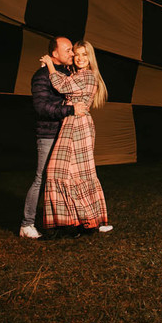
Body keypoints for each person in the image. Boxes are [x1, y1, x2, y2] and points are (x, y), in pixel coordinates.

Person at [39, 39, 112, 234]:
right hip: (71, 123)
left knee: (71, 172)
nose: (79, 58)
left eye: (84, 55)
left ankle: (88, 220)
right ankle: (78, 221)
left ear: (90, 58)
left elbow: (62, 85)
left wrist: (50, 64)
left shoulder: (88, 75)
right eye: (77, 54)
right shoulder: (78, 74)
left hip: (79, 125)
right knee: (67, 173)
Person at [19, 36, 85, 239]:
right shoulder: (41, 76)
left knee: (67, 179)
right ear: (54, 53)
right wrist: (70, 110)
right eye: (68, 50)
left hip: (67, 133)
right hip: (49, 134)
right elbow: (41, 108)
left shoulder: (69, 73)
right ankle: (26, 224)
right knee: (42, 178)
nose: (72, 53)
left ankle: (67, 222)